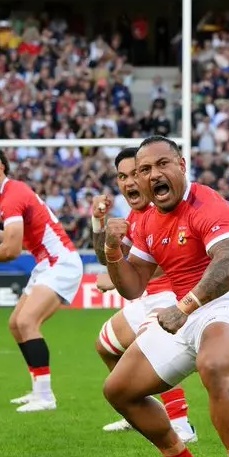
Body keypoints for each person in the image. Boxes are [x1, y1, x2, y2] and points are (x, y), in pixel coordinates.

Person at [101, 136, 229, 457]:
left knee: (215, 365)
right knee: (118, 390)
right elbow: (132, 284)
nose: (152, 174)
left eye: (162, 165)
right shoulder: (146, 220)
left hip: (226, 305)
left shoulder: (208, 204)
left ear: (182, 166)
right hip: (183, 311)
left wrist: (185, 306)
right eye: (144, 170)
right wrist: (109, 248)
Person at [91, 147, 196, 442]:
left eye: (136, 174)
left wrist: (115, 281)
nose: (129, 183)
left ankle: (181, 424)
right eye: (122, 176)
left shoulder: (162, 210)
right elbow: (108, 258)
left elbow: (171, 259)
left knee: (153, 353)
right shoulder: (134, 216)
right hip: (147, 297)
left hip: (170, 297)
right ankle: (138, 409)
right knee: (105, 346)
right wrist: (98, 224)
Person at [0, 143, 83, 413]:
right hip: (47, 263)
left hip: (60, 263)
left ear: (2, 168)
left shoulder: (11, 196)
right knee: (15, 324)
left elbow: (10, 251)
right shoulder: (10, 194)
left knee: (26, 321)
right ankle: (37, 390)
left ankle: (45, 396)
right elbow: (19, 242)